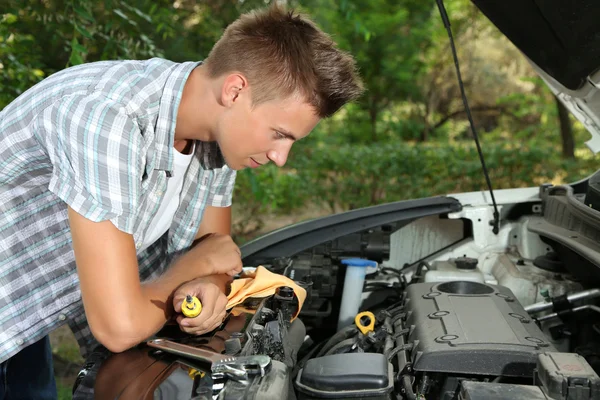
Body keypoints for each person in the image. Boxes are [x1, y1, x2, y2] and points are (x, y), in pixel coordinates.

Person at [0, 4, 363, 399]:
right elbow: (119, 326)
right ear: (235, 90)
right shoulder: (107, 120)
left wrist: (208, 281)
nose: (281, 157)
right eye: (279, 133)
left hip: (25, 319)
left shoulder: (217, 136)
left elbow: (218, 252)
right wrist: (196, 266)